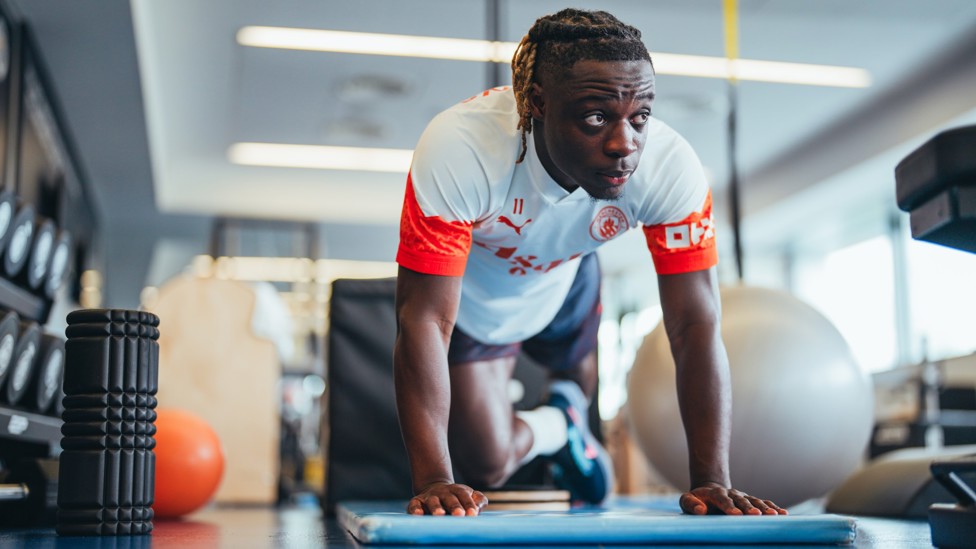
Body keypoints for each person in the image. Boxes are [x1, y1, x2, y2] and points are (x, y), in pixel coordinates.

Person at [393, 8, 787, 518]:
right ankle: (560, 424)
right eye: (596, 117)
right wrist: (433, 480)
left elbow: (695, 324)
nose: (625, 145)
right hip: (476, 303)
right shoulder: (461, 148)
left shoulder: (669, 165)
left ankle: (570, 409)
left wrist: (712, 481)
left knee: (582, 375)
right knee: (487, 464)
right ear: (536, 103)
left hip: (569, 279)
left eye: (639, 116)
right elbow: (424, 318)